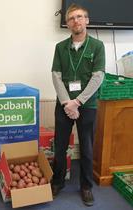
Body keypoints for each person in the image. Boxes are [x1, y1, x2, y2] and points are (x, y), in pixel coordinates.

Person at [51, 4, 105, 207]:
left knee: (87, 148)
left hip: (87, 105)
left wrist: (78, 102)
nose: (76, 20)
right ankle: (57, 183)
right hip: (64, 105)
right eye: (72, 18)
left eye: (80, 17)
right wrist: (67, 102)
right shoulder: (60, 47)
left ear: (87, 21)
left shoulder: (97, 47)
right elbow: (56, 76)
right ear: (67, 23)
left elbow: (98, 76)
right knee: (60, 147)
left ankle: (86, 187)